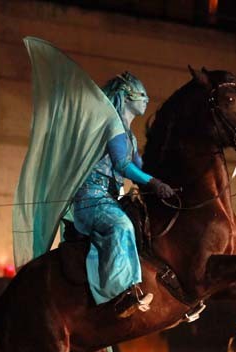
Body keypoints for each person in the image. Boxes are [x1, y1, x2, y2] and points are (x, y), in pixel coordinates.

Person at [64, 72, 176, 317]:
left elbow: (141, 168)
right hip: (91, 200)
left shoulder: (130, 136)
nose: (147, 99)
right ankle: (117, 295)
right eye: (141, 94)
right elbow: (122, 166)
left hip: (111, 199)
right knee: (122, 226)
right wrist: (154, 182)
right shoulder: (110, 126)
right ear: (126, 96)